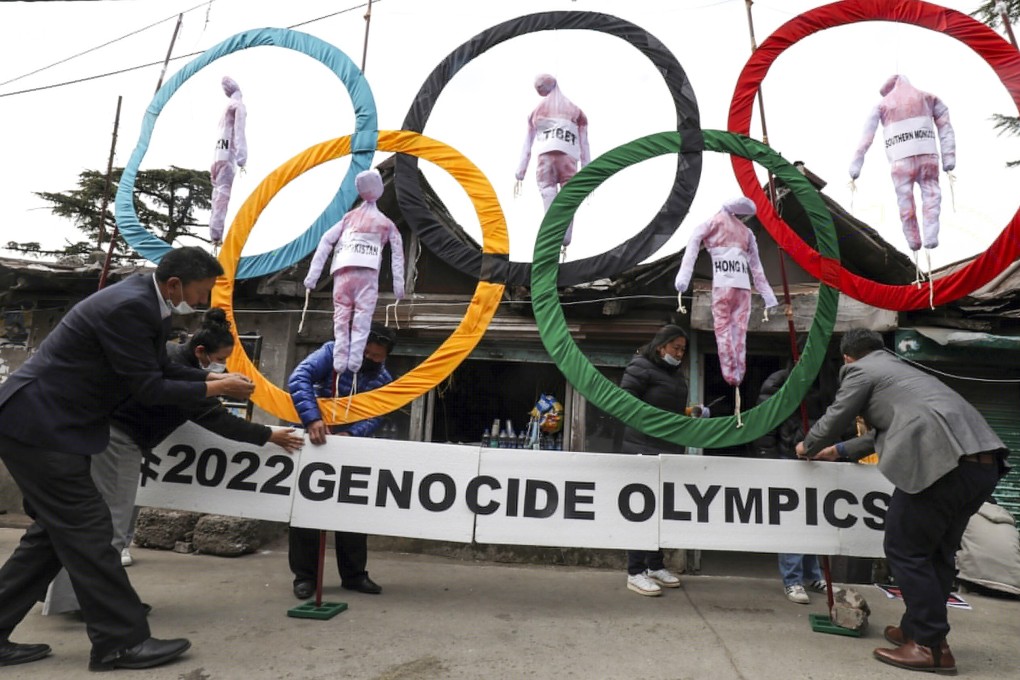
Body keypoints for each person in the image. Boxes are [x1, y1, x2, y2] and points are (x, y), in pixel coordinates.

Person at [0, 246, 255, 670]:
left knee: (50, 537)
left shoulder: (148, 303)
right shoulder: (130, 307)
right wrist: (216, 388)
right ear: (175, 284)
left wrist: (214, 377)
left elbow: (159, 369)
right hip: (40, 424)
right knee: (91, 530)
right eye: (202, 290)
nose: (204, 300)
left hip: (50, 425)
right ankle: (120, 643)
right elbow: (149, 389)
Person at [42, 307, 304, 616]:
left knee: (86, 521)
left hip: (101, 436)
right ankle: (97, 605)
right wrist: (268, 435)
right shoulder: (180, 371)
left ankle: (64, 595)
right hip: (118, 442)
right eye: (219, 359)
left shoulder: (170, 355)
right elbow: (217, 419)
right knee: (111, 525)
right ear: (201, 351)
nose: (221, 367)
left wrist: (216, 382)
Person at [796, 328, 1009, 674]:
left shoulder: (860, 370)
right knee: (936, 552)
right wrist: (838, 451)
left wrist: (809, 444)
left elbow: (838, 413)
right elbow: (887, 431)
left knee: (904, 548)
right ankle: (915, 629)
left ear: (848, 357)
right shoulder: (904, 372)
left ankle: (929, 646)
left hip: (941, 463)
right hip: (982, 464)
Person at [287, 322, 397, 599]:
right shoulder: (332, 353)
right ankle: (305, 578)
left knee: (353, 513)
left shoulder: (384, 379)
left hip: (352, 449)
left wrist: (352, 433)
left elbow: (378, 414)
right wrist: (312, 418)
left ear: (385, 356)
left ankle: (354, 576)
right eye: (366, 353)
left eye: (376, 357)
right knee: (306, 513)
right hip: (313, 441)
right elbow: (299, 378)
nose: (369, 359)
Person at [754, 336, 862, 605]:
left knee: (817, 519)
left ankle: (813, 574)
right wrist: (767, 457)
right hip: (788, 457)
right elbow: (765, 423)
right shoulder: (780, 382)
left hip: (824, 459)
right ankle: (792, 579)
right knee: (793, 520)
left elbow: (845, 420)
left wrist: (844, 452)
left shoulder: (833, 383)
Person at [618, 324, 705, 597]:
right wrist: (657, 420)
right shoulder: (640, 367)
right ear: (660, 347)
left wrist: (689, 413)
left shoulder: (675, 375)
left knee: (659, 512)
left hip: (668, 450)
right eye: (675, 348)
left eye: (683, 350)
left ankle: (655, 565)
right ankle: (635, 572)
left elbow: (669, 409)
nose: (679, 354)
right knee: (642, 511)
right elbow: (626, 403)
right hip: (642, 448)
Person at [513, 73, 590, 255]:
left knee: (548, 191)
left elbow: (527, 144)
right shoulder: (576, 111)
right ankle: (565, 236)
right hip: (568, 156)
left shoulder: (535, 112)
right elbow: (584, 143)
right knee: (569, 194)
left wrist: (520, 172)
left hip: (545, 159)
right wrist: (588, 170)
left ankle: (554, 234)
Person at [209, 75, 248, 246]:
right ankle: (216, 235)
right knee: (222, 196)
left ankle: (214, 233)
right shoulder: (238, 106)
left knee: (217, 195)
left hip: (217, 157)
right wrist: (242, 158)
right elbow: (239, 132)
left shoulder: (225, 109)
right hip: (228, 157)